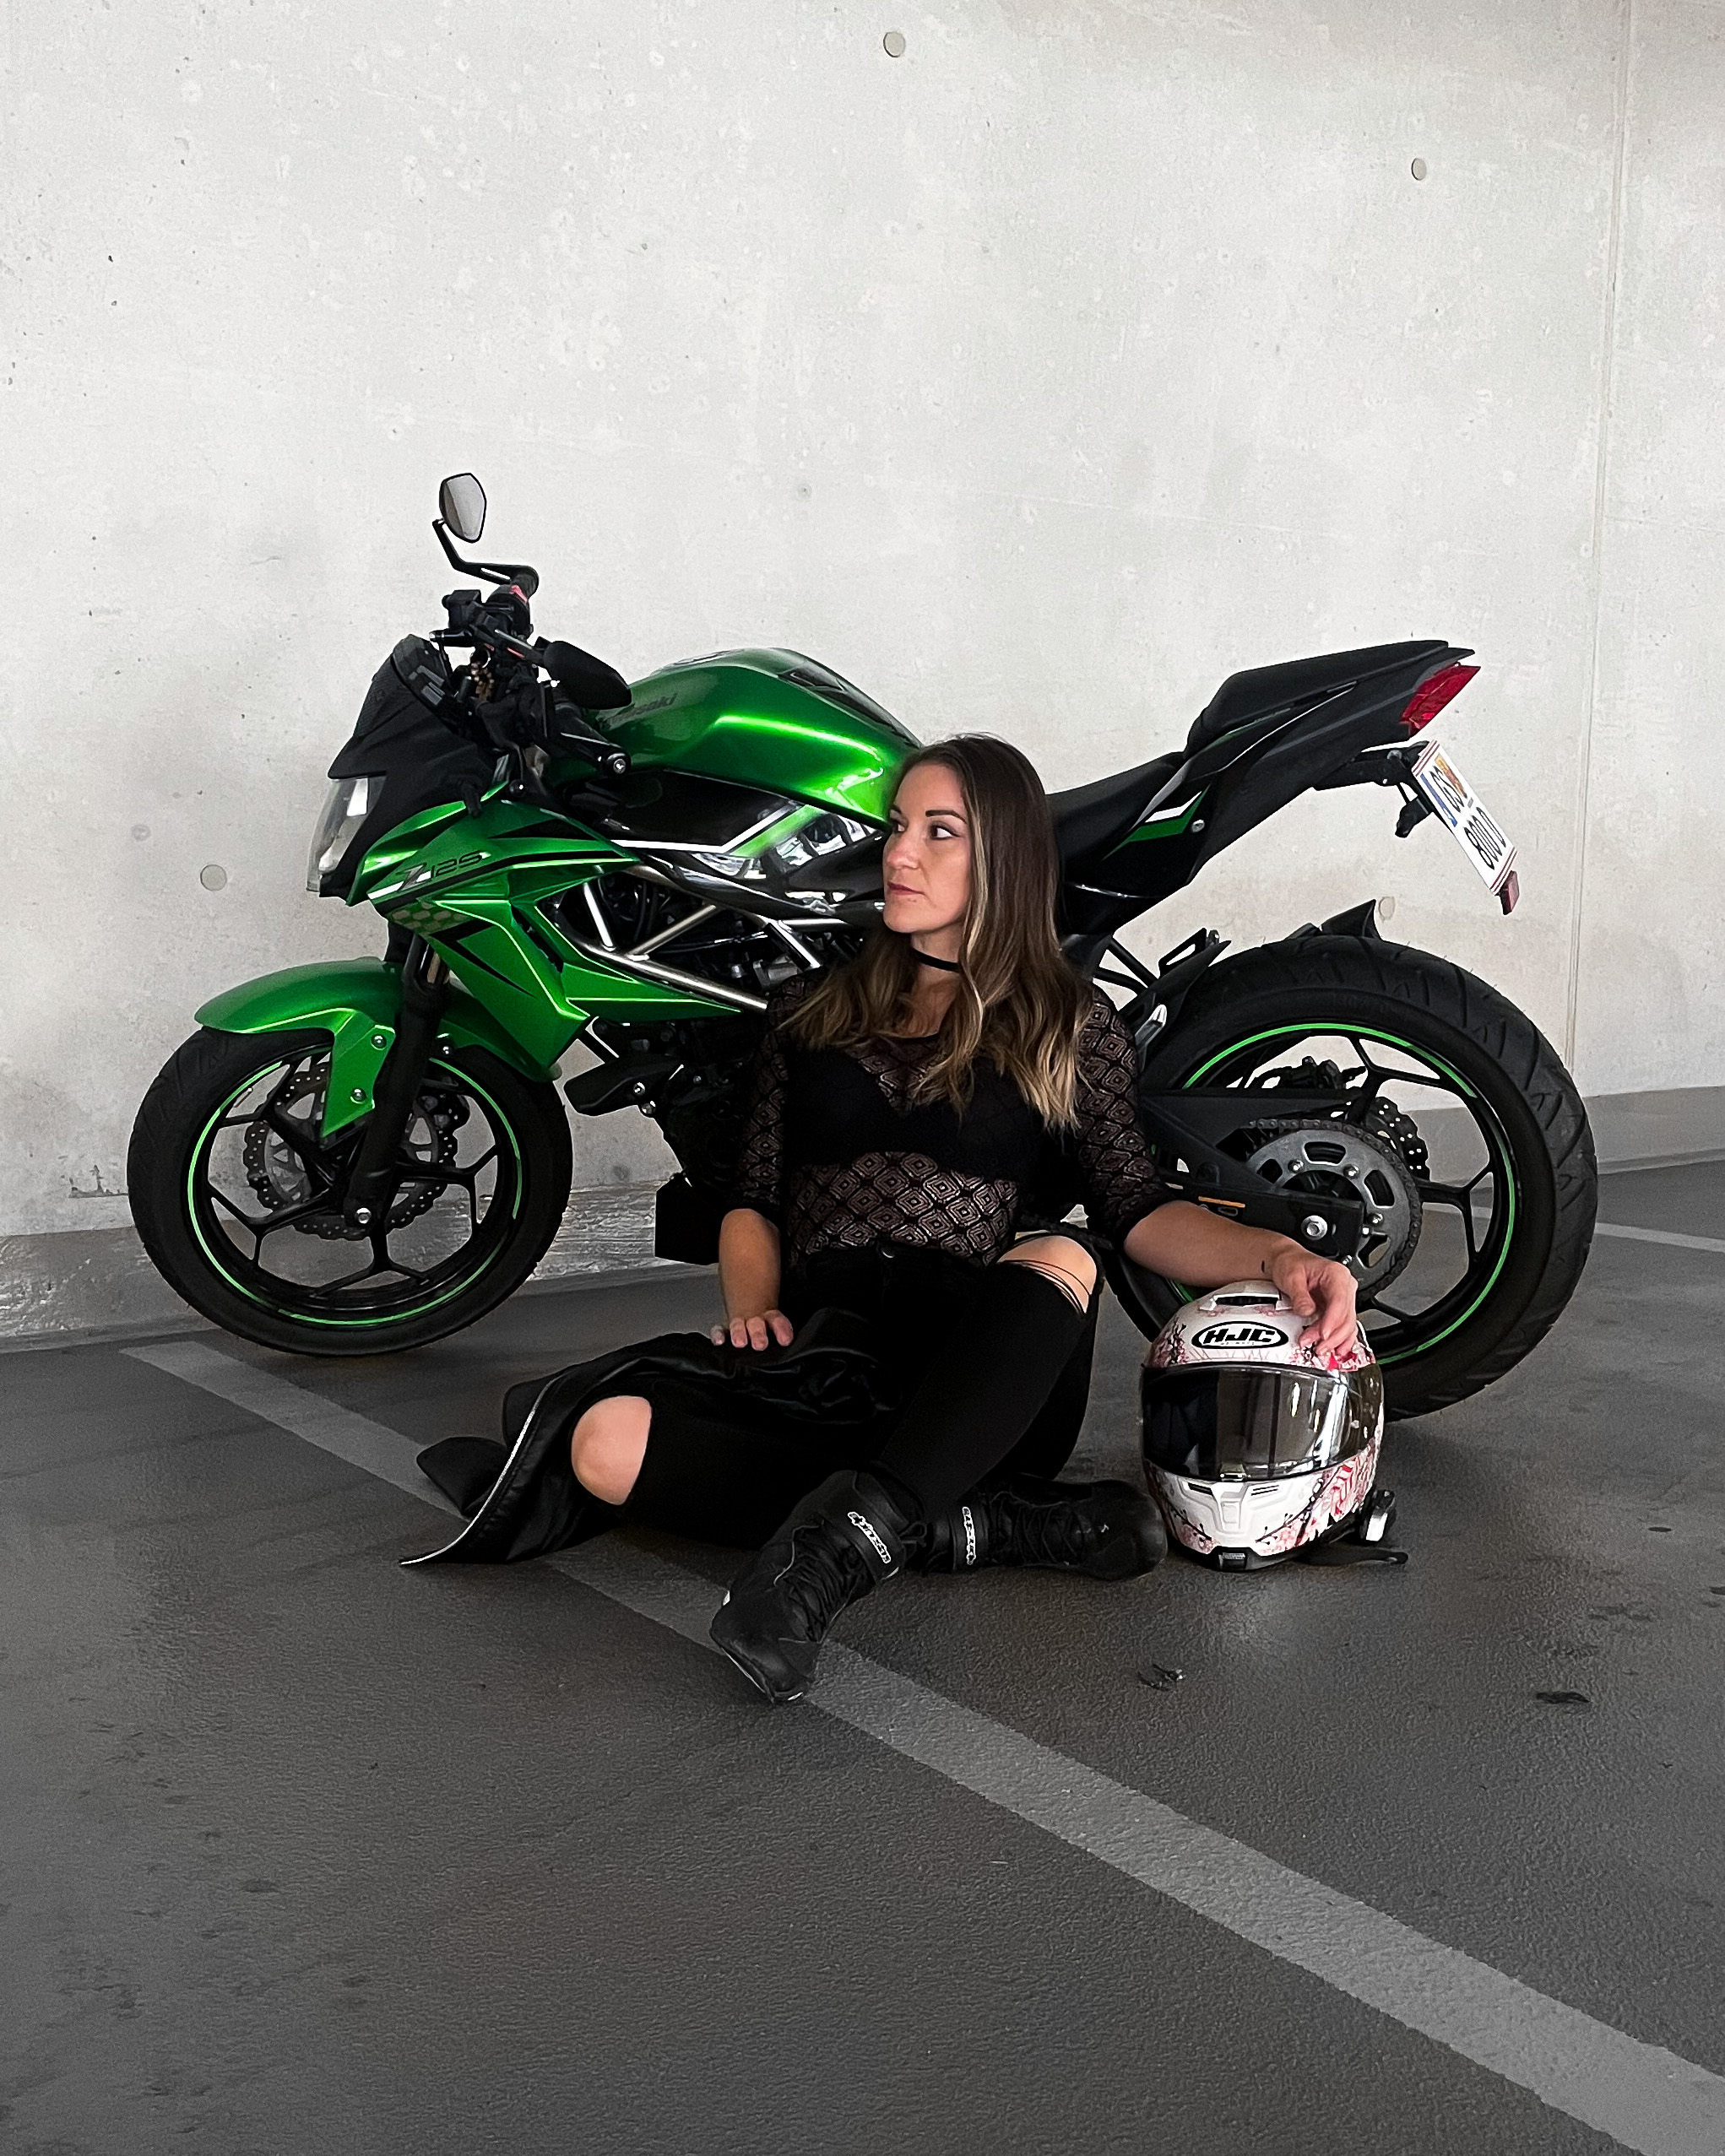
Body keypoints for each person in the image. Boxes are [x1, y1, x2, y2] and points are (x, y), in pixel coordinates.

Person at [410, 736, 1358, 1705]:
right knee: (602, 1444)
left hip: (980, 1373)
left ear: (1005, 856)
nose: (900, 853)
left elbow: (1139, 1208)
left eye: (939, 832)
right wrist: (753, 1307)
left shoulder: (1071, 1024)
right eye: (898, 827)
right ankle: (985, 1524)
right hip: (828, 1359)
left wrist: (1279, 1254)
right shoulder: (808, 1011)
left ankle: (826, 1564)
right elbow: (753, 1198)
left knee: (1067, 1250)